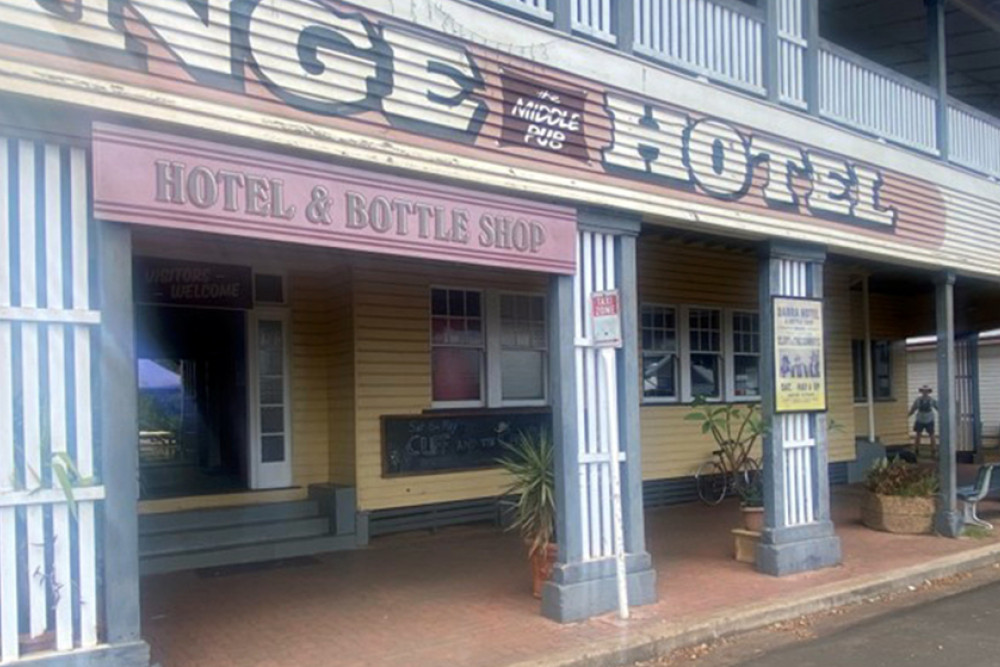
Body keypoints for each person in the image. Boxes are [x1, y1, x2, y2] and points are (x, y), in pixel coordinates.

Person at [908, 385, 938, 458]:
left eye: (926, 391)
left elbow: (938, 408)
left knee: (932, 435)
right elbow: (913, 409)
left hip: (929, 419)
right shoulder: (917, 400)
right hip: (920, 419)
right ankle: (916, 450)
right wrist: (907, 415)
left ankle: (933, 451)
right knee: (918, 435)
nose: (925, 392)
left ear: (928, 392)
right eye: (924, 391)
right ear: (921, 392)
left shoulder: (932, 400)